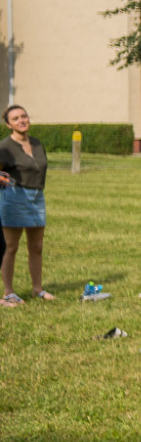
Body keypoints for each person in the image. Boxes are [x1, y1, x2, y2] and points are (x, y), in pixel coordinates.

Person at [0, 104, 52, 305]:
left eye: (24, 116)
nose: (21, 120)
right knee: (10, 247)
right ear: (8, 125)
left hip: (37, 197)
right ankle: (9, 293)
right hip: (14, 198)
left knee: (37, 246)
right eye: (15, 118)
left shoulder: (37, 143)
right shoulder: (5, 147)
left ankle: (37, 289)